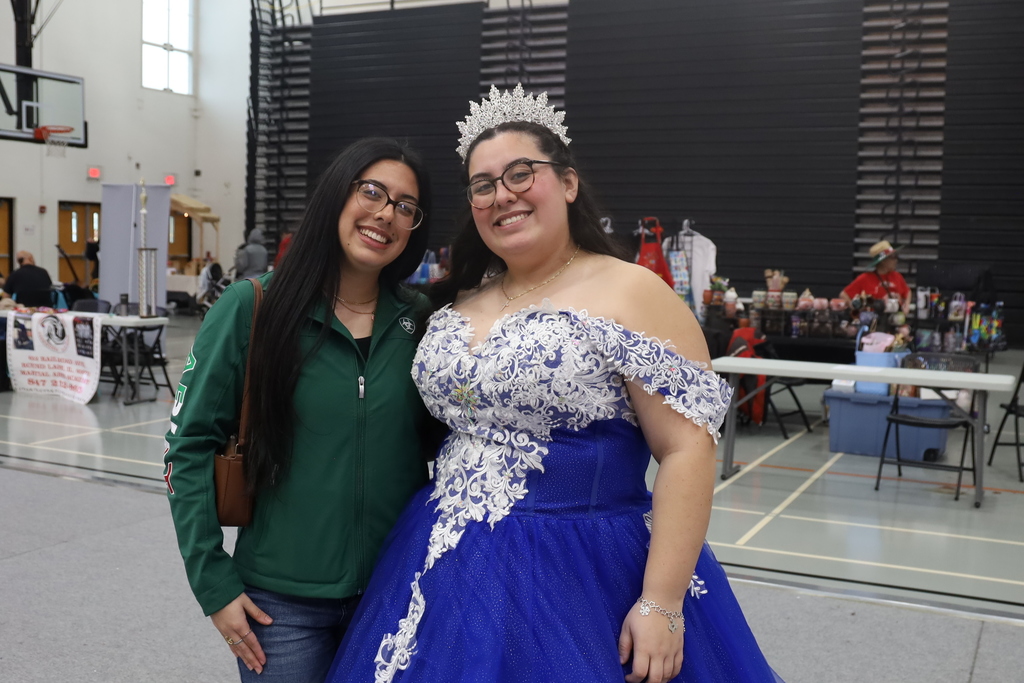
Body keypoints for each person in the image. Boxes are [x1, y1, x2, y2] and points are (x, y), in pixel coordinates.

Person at [326, 86, 782, 682]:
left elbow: (686, 448)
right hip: (438, 557)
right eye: (483, 185)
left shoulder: (631, 291)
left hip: (579, 567)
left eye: (521, 174)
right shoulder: (462, 297)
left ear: (567, 183)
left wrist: (662, 601)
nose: (502, 195)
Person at [165, 138, 439, 683]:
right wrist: (213, 584)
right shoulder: (252, 307)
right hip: (281, 607)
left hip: (394, 593)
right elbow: (187, 448)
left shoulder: (421, 320)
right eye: (372, 192)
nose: (386, 214)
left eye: (406, 206)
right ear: (337, 194)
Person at [840, 240, 910, 312]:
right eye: (893, 257)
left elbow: (907, 292)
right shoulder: (865, 278)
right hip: (874, 317)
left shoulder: (897, 276)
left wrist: (906, 306)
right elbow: (844, 294)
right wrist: (855, 308)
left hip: (896, 317)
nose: (896, 260)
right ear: (883, 261)